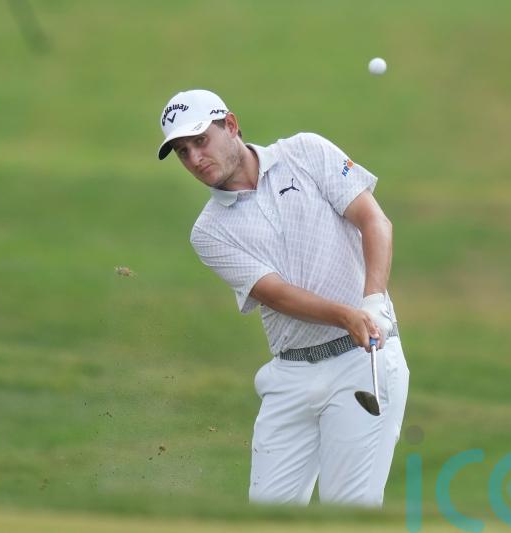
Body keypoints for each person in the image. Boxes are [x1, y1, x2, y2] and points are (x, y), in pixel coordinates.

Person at [156, 89, 409, 507]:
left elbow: (373, 220)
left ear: (231, 126)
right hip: (290, 377)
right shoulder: (209, 231)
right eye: (183, 152)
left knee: (347, 513)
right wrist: (348, 315)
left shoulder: (305, 153)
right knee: (267, 518)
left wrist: (374, 300)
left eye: (200, 141)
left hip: (362, 364)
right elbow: (276, 294)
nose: (195, 159)